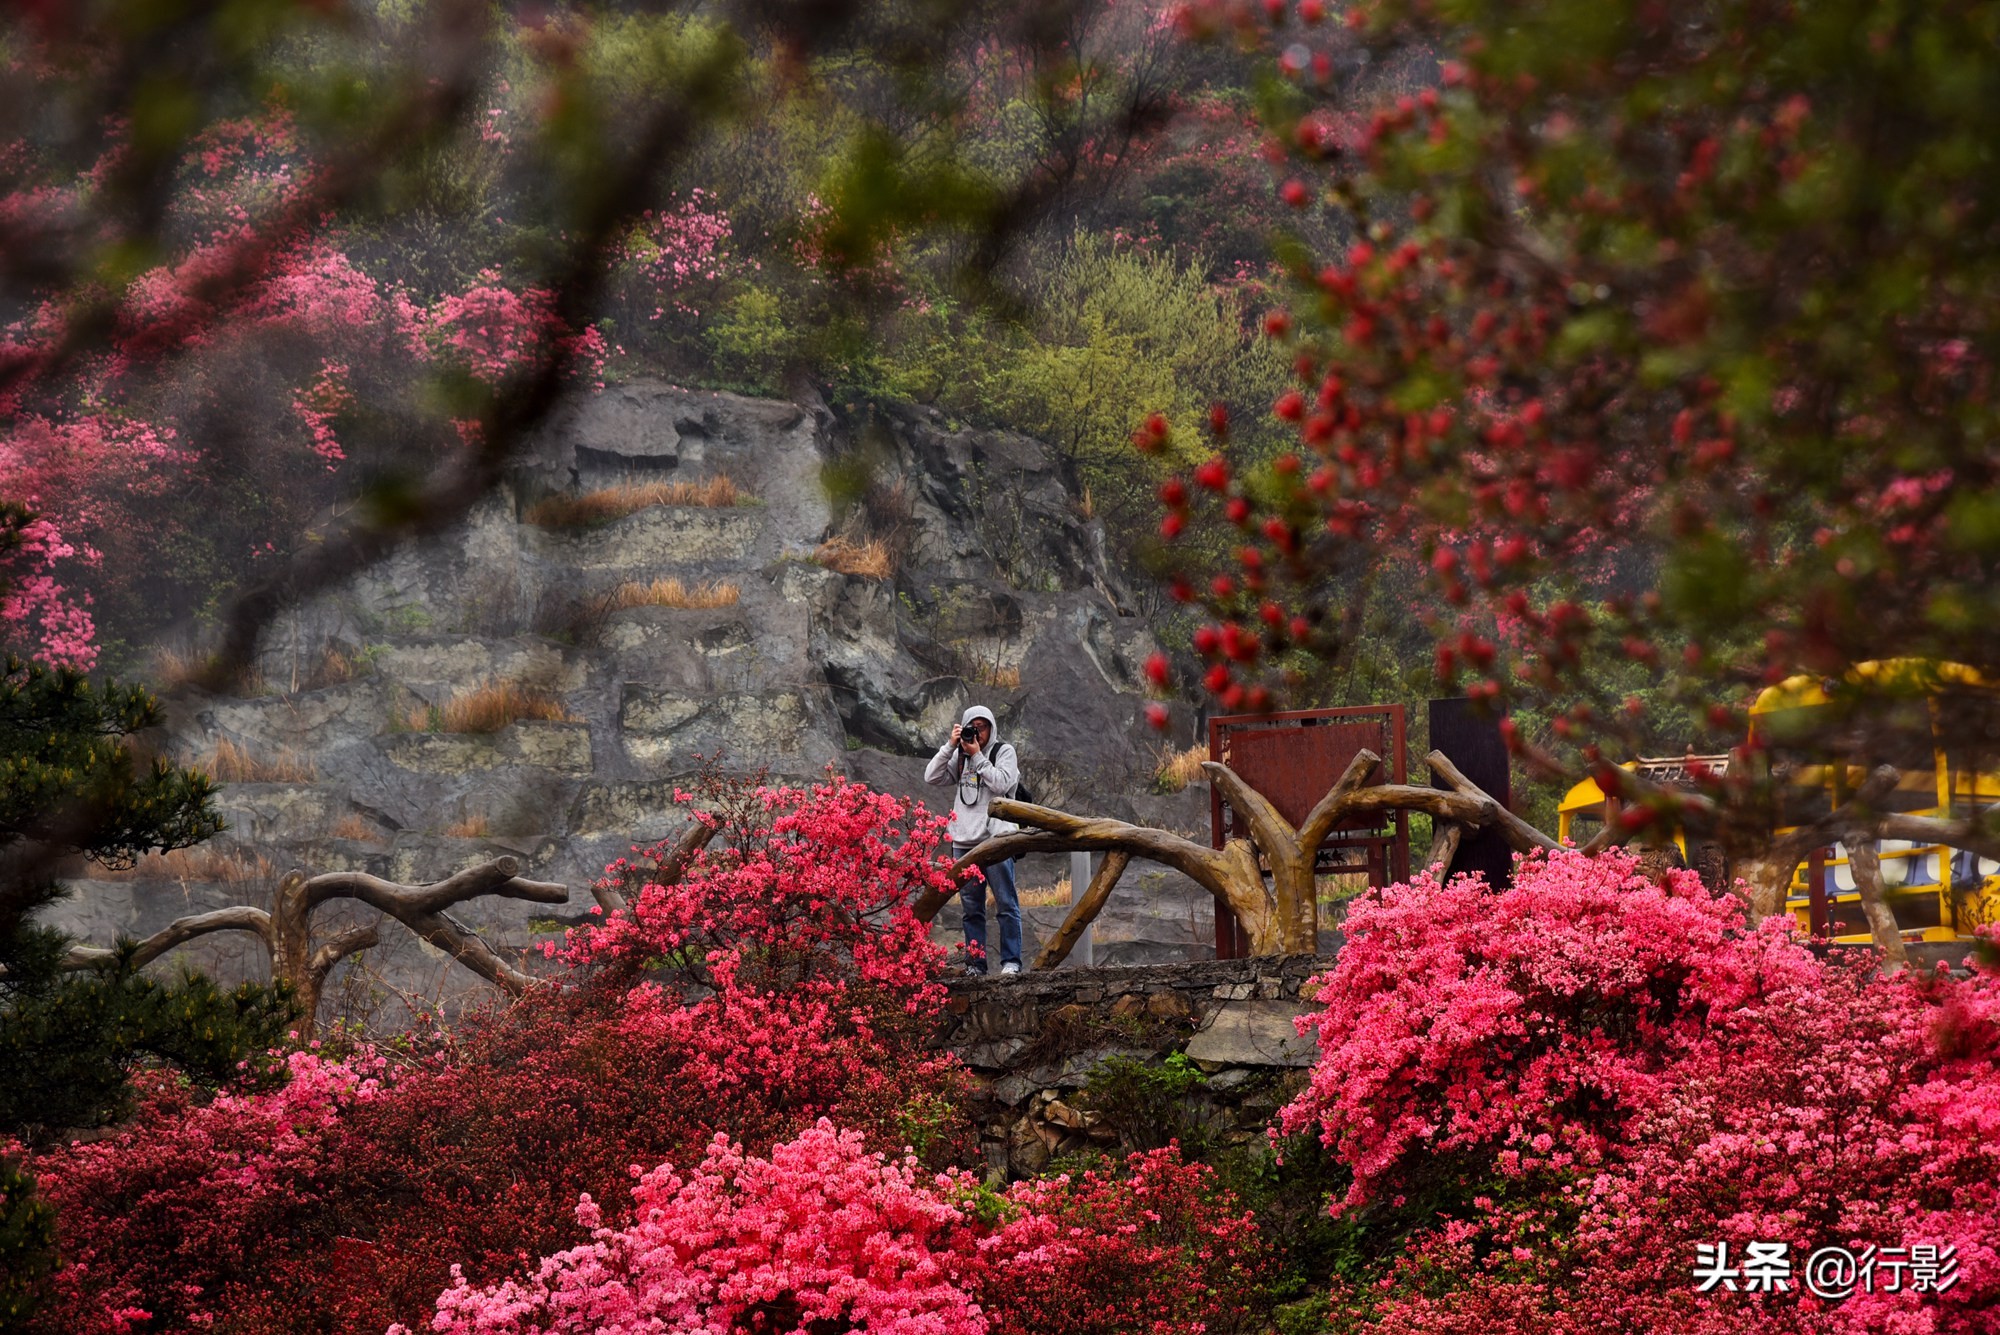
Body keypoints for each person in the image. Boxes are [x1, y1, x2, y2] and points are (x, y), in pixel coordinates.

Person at [924, 705, 1023, 976]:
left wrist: (978, 756)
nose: (977, 731)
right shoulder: (960, 757)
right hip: (964, 841)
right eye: (973, 726)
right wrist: (950, 746)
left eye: (983, 726)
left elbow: (1002, 784)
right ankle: (975, 966)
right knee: (971, 909)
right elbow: (930, 776)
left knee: (1005, 903)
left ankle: (1011, 963)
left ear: (991, 727)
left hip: (997, 839)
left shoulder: (1002, 752)